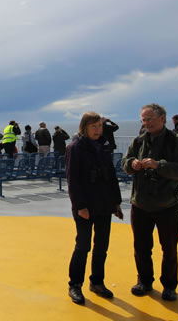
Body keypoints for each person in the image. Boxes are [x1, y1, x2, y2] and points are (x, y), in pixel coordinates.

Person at [121, 103, 178, 302]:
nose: (146, 123)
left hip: (166, 205)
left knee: (169, 248)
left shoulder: (177, 142)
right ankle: (144, 281)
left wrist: (158, 165)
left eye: (149, 119)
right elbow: (124, 163)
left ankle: (170, 285)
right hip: (140, 204)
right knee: (141, 247)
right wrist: (132, 164)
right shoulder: (138, 141)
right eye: (143, 120)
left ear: (162, 118)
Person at [65, 112, 123, 305]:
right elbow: (73, 180)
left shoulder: (104, 146)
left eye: (99, 126)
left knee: (102, 246)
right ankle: (75, 285)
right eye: (94, 126)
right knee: (83, 246)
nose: (98, 130)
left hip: (105, 204)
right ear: (84, 127)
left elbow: (111, 175)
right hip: (86, 205)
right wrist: (80, 206)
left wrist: (116, 202)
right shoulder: (76, 148)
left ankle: (97, 282)